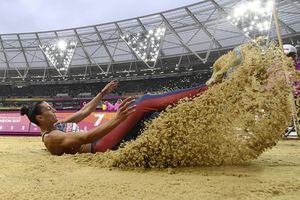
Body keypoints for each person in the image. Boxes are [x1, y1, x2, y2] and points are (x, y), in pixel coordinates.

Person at [20, 80, 208, 155]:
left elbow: (84, 112)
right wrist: (117, 119)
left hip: (102, 141)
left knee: (155, 117)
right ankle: (207, 88)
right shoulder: (52, 138)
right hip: (99, 146)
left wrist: (102, 93)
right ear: (40, 118)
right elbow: (86, 138)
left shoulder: (58, 125)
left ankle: (204, 109)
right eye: (48, 108)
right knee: (143, 103)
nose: (53, 109)